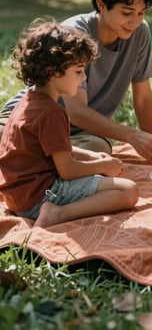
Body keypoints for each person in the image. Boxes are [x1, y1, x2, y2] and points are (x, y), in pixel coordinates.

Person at [0, 0, 152, 162]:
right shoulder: (75, 33)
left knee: (98, 149)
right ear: (101, 4)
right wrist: (131, 135)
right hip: (30, 122)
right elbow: (77, 111)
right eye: (126, 12)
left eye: (141, 13)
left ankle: (36, 160)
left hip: (77, 134)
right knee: (19, 142)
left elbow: (143, 99)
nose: (134, 21)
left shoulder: (140, 32)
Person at [0, 20, 139, 229]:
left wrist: (92, 156)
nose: (84, 77)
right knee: (128, 190)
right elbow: (67, 170)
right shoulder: (51, 112)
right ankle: (58, 213)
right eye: (79, 71)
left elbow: (54, 148)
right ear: (53, 72)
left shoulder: (28, 101)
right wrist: (102, 166)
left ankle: (54, 209)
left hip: (17, 197)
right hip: (42, 196)